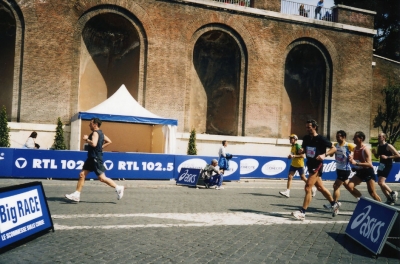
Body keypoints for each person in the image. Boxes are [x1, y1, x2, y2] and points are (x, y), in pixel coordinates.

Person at [65, 118, 125, 202]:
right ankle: (76, 195)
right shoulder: (101, 133)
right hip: (92, 158)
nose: (89, 125)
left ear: (95, 124)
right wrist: (100, 148)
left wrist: (86, 139)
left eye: (90, 123)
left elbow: (94, 144)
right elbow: (109, 141)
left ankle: (118, 188)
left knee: (102, 178)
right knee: (82, 174)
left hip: (95, 158)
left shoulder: (95, 133)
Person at [292, 119, 338, 220]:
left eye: (309, 127)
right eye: (306, 127)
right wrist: (301, 150)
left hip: (317, 165)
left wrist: (324, 154)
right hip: (310, 164)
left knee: (308, 187)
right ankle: (334, 204)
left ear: (314, 127)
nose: (307, 129)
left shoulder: (321, 138)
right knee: (320, 188)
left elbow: (334, 148)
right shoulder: (306, 138)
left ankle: (302, 212)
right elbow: (304, 149)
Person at [323, 130, 355, 216]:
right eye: (336, 136)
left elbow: (358, 151)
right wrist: (331, 151)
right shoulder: (335, 145)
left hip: (345, 169)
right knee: (349, 187)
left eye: (339, 136)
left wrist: (352, 157)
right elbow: (330, 155)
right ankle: (360, 198)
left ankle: (335, 205)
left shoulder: (349, 145)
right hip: (338, 168)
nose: (337, 138)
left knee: (335, 186)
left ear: (344, 137)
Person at [347, 131, 381, 202]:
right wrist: (353, 163)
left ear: (361, 138)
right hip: (360, 172)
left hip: (368, 171)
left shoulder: (365, 149)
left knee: (372, 193)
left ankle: (383, 208)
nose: (353, 138)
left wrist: (356, 164)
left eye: (355, 137)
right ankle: (363, 200)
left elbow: (369, 164)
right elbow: (355, 160)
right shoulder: (355, 149)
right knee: (349, 186)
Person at [279, 134, 317, 198]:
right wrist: (290, 156)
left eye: (291, 138)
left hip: (299, 164)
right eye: (290, 138)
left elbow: (302, 156)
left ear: (295, 139)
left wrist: (294, 156)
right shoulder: (293, 146)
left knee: (303, 177)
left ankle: (313, 188)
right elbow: (293, 154)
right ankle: (287, 192)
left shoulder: (298, 146)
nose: (290, 140)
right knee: (290, 176)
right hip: (293, 164)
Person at [371, 133, 399, 205]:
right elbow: (378, 157)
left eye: (380, 136)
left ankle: (393, 193)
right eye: (378, 136)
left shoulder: (388, 146)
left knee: (381, 182)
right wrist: (374, 153)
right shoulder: (378, 146)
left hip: (387, 165)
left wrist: (388, 157)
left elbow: (398, 155)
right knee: (380, 183)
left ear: (384, 138)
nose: (378, 137)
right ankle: (389, 199)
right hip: (381, 165)